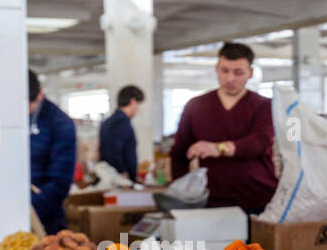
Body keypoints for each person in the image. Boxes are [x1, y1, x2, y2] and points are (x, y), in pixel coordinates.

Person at [169, 42, 277, 214]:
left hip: (257, 200)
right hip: (210, 201)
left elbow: (260, 142)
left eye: (238, 72)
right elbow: (179, 152)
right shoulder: (195, 106)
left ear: (250, 73)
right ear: (216, 69)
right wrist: (181, 192)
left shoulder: (263, 106)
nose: (230, 78)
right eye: (225, 71)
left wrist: (218, 148)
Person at [28, 70, 77, 235]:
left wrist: (27, 209)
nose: (26, 111)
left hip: (44, 219)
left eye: (29, 105)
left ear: (39, 95)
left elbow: (60, 184)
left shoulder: (60, 124)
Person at [98, 85, 144, 180]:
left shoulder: (110, 120)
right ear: (133, 101)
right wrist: (122, 171)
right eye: (138, 104)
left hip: (113, 175)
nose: (138, 108)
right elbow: (113, 150)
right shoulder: (121, 122)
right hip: (119, 179)